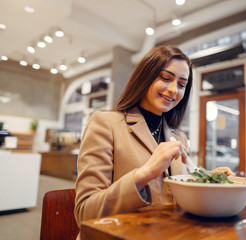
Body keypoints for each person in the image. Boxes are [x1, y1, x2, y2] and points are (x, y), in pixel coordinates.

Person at [74, 45, 234, 236]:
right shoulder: (105, 123)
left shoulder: (177, 136)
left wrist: (209, 181)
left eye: (182, 85)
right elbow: (84, 214)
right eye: (166, 78)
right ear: (145, 77)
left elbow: (175, 195)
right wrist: (143, 174)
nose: (174, 90)